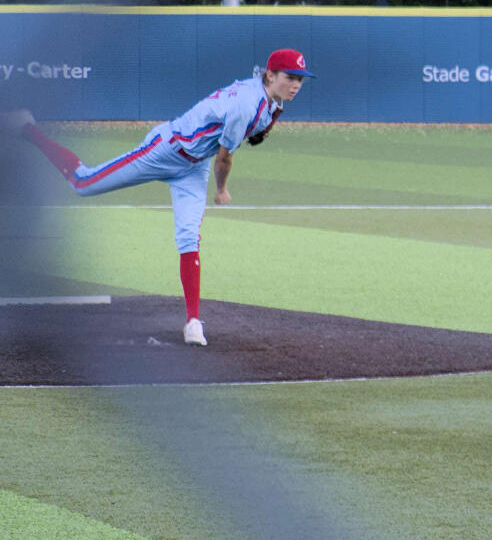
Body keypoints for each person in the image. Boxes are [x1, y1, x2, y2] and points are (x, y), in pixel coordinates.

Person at [8, 48, 312, 346]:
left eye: (300, 78)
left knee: (189, 237)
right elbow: (224, 159)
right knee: (83, 182)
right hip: (163, 151)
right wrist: (221, 190)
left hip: (193, 169)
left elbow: (255, 125)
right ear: (271, 75)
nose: (296, 84)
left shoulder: (267, 98)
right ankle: (27, 129)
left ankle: (193, 322)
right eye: (290, 76)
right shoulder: (248, 104)